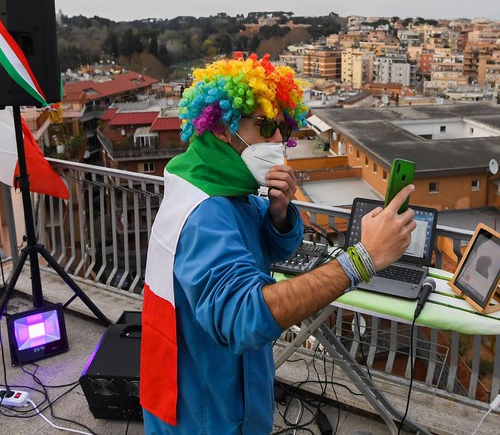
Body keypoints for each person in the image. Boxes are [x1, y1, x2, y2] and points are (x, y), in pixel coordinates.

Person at [140, 52, 416, 434]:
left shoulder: (222, 185)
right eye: (266, 126)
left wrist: (279, 213)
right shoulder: (205, 214)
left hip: (213, 396)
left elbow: (278, 249)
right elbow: (244, 317)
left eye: (283, 130)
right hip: (206, 414)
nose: (278, 141)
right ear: (222, 126)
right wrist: (362, 260)